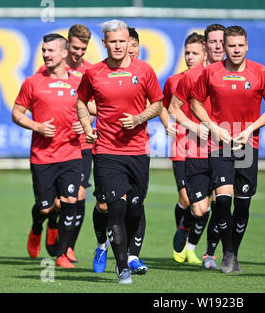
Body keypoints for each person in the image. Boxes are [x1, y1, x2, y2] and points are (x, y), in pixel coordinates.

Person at [76, 19, 163, 284]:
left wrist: (138, 119)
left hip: (137, 151)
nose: (118, 46)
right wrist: (85, 126)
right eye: (112, 41)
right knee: (114, 208)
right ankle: (122, 266)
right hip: (106, 150)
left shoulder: (144, 70)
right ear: (104, 43)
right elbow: (81, 101)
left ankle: (126, 254)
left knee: (135, 209)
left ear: (129, 43)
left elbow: (158, 103)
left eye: (122, 41)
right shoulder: (93, 73)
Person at [191, 25, 265, 274]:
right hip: (219, 144)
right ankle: (228, 251)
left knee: (242, 205)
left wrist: (252, 128)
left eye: (240, 45)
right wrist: (212, 127)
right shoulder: (211, 72)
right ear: (225, 47)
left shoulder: (261, 72)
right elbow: (196, 102)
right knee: (222, 202)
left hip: (247, 144)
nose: (236, 50)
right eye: (231, 46)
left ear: (247, 46)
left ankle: (232, 252)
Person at [12, 33, 83, 268]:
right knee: (45, 208)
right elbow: (17, 113)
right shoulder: (33, 82)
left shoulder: (79, 81)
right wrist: (37, 126)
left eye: (51, 50)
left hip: (71, 153)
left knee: (70, 201)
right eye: (44, 50)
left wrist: (85, 121)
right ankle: (39, 227)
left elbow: (93, 107)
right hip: (42, 156)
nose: (46, 54)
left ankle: (61, 254)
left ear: (64, 53)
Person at [169, 24, 226, 270]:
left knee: (221, 203)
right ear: (207, 47)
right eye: (213, 42)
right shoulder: (186, 78)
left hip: (223, 148)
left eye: (222, 42)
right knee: (196, 206)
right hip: (189, 146)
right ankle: (184, 227)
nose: (218, 46)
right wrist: (180, 126)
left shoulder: (234, 74)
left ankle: (205, 252)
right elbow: (168, 106)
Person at [36, 24, 94, 263]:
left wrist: (88, 120)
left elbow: (94, 107)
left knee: (78, 197)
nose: (79, 52)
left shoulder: (91, 72)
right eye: (75, 47)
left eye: (84, 48)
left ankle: (68, 247)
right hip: (55, 147)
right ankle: (47, 223)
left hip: (82, 144)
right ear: (66, 45)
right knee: (52, 205)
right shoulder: (48, 70)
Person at [161, 32, 208, 265]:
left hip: (209, 149)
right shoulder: (174, 81)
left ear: (205, 54)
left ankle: (191, 247)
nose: (190, 57)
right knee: (187, 200)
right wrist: (168, 124)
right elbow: (164, 106)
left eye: (194, 53)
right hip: (182, 146)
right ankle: (182, 230)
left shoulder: (214, 78)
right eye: (187, 53)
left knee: (204, 206)